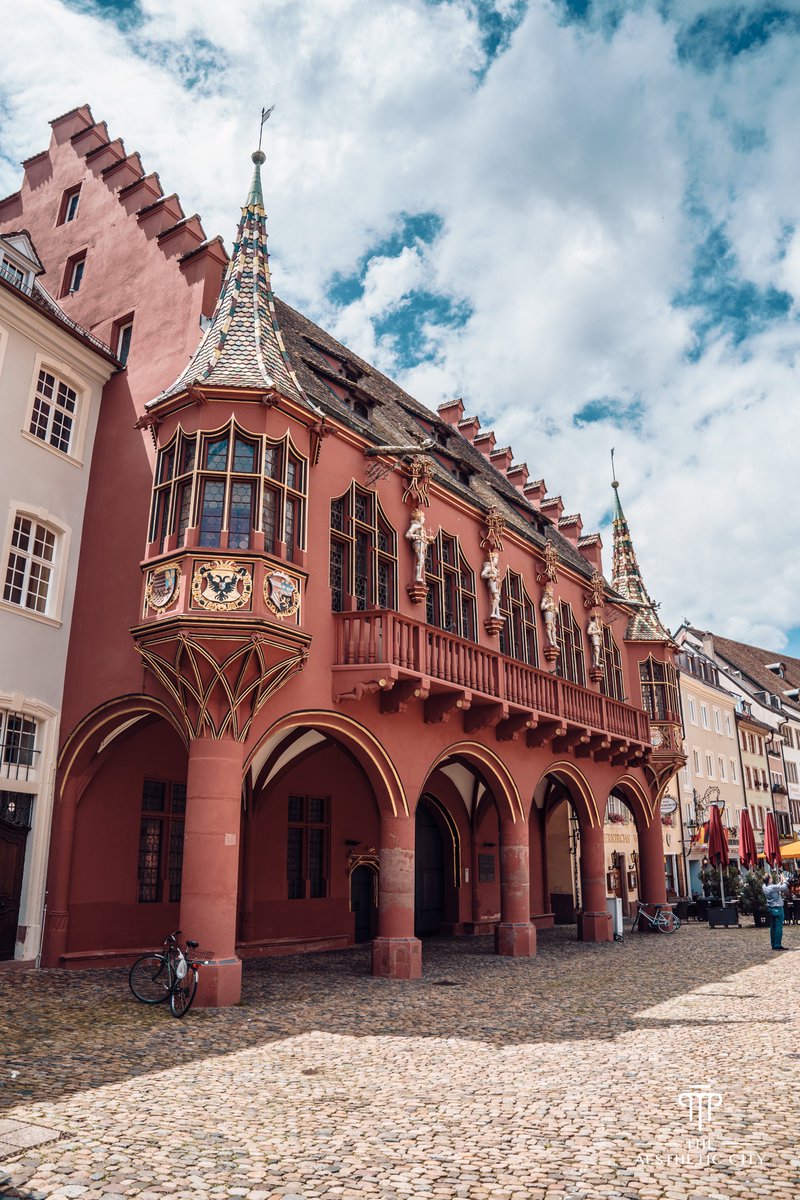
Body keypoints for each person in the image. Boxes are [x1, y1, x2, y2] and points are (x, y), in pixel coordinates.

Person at [762, 873, 790, 951]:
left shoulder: (764, 886)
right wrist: (784, 879)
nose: (772, 878)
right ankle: (777, 945)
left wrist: (780, 881)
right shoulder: (772, 887)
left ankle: (773, 944)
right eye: (771, 877)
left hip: (771, 908)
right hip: (778, 908)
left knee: (773, 927)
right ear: (769, 879)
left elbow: (776, 888)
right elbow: (784, 887)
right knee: (778, 927)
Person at [480, 550, 502, 619]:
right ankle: (493, 613)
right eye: (496, 559)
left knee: (496, 598)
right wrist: (490, 575)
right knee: (497, 598)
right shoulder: (489, 567)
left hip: (496, 584)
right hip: (492, 582)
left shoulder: (495, 569)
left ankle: (497, 613)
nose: (497, 560)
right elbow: (482, 575)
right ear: (492, 559)